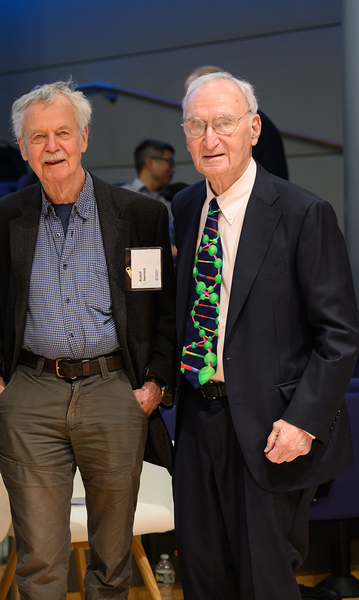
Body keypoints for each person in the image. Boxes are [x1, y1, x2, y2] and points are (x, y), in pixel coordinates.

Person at [0, 79, 176, 599]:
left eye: (62, 133)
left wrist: (153, 384)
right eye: (37, 137)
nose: (51, 147)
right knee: (40, 558)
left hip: (115, 391)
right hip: (30, 393)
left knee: (112, 559)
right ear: (22, 149)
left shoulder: (140, 216)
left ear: (84, 138)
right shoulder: (0, 221)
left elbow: (164, 314)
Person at [172, 71, 359, 600]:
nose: (210, 139)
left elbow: (339, 335)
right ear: (185, 135)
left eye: (224, 124)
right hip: (197, 423)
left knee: (266, 582)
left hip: (272, 431)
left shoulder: (304, 213)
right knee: (204, 579)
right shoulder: (185, 209)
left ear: (253, 129)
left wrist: (304, 421)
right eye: (197, 125)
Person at [185, 65, 288, 180]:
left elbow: (272, 167)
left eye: (225, 123)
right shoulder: (188, 197)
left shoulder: (253, 121)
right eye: (198, 125)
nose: (210, 143)